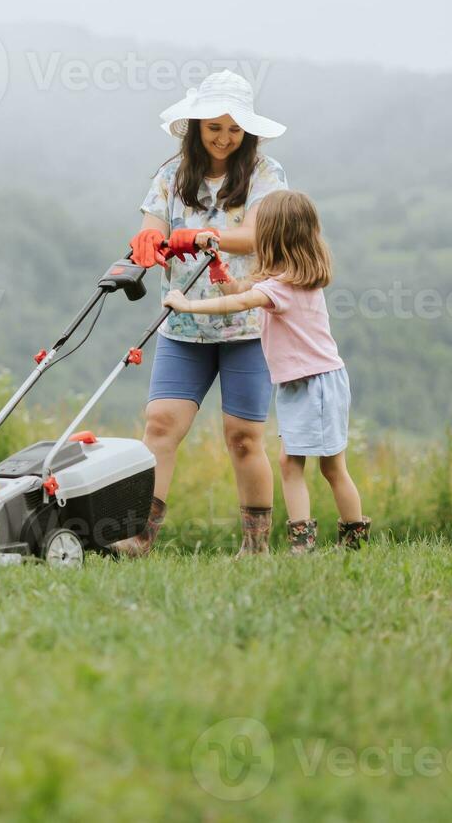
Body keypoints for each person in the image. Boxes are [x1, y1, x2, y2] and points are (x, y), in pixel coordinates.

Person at [114, 70, 289, 557]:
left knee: (244, 438)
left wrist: (201, 238)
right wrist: (149, 241)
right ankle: (139, 536)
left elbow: (258, 234)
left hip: (246, 322)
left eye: (234, 130)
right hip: (183, 324)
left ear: (248, 132)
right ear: (195, 127)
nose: (224, 139)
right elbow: (151, 224)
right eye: (214, 128)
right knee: (161, 425)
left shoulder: (266, 175)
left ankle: (256, 549)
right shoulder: (171, 175)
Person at [163, 190, 371, 553]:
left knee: (312, 466)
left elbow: (241, 302)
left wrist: (186, 305)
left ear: (274, 238)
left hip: (315, 385)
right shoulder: (289, 279)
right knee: (315, 466)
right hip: (307, 384)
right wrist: (217, 266)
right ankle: (333, 543)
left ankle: (323, 544)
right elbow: (239, 289)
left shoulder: (284, 287)